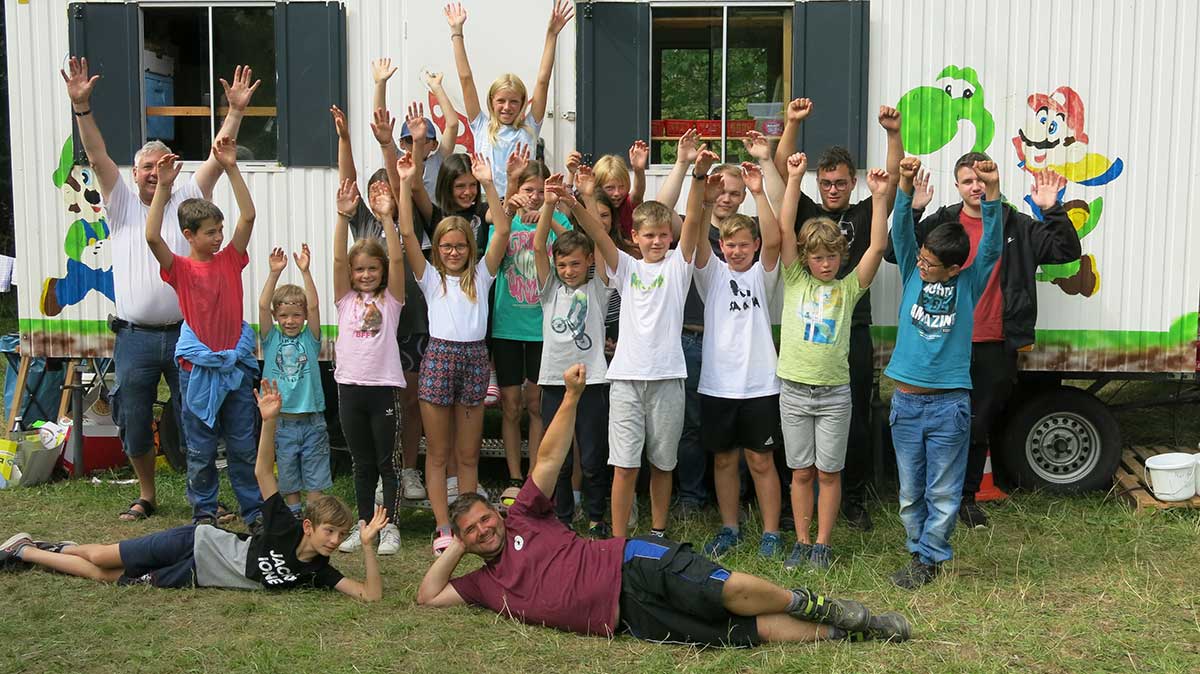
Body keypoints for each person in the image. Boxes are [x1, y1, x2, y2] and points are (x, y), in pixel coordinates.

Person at [415, 364, 910, 646]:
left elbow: (547, 456)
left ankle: (813, 603)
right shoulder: (483, 583)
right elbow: (427, 597)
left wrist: (570, 396)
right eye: (473, 533)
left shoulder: (523, 513)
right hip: (625, 618)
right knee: (730, 634)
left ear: (497, 513)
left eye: (484, 520)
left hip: (628, 566)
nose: (484, 531)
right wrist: (456, 547)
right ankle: (845, 631)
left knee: (721, 590)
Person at [60, 57, 259, 523]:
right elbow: (96, 156)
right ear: (134, 174)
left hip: (189, 335)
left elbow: (221, 153)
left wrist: (234, 110)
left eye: (162, 164)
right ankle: (146, 495)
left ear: (174, 166)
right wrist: (82, 107)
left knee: (198, 421)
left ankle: (205, 501)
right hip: (136, 335)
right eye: (147, 166)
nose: (155, 172)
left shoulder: (188, 192)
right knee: (132, 419)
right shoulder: (122, 201)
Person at [0, 380, 387, 601]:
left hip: (194, 573)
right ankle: (40, 547)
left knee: (107, 576)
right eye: (329, 531)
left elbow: (370, 595)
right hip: (196, 541)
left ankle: (27, 551)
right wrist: (269, 422)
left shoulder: (318, 572)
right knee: (102, 556)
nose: (335, 540)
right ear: (308, 526)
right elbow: (262, 473)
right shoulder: (284, 525)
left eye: (339, 534)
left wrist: (367, 545)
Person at [903, 155, 1078, 528]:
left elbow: (1065, 251)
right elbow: (896, 253)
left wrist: (1053, 210)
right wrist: (915, 211)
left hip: (994, 341)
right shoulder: (943, 222)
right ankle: (926, 498)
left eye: (982, 179)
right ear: (957, 186)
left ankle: (965, 498)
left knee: (977, 424)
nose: (976, 186)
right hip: (945, 342)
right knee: (937, 424)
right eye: (968, 180)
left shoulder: (1014, 222)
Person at [772, 100, 904, 532]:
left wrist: (892, 134)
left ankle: (852, 498)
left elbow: (892, 185)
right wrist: (792, 125)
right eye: (826, 182)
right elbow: (781, 177)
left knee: (856, 417)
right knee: (800, 426)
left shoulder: (864, 212)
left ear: (853, 183)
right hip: (807, 347)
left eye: (841, 183)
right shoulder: (809, 214)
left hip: (854, 326)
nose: (833, 189)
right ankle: (802, 506)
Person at [884, 156, 1002, 589]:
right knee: (910, 491)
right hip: (907, 402)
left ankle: (930, 557)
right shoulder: (914, 271)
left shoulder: (966, 284)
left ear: (954, 268)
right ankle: (917, 550)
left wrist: (992, 191)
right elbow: (899, 231)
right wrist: (903, 184)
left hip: (950, 404)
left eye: (933, 264)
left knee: (944, 491)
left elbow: (991, 247)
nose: (923, 266)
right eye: (923, 259)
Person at [574, 171, 702, 540]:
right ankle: (617, 539)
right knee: (625, 466)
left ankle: (658, 532)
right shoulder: (626, 268)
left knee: (663, 463)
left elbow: (692, 222)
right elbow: (597, 232)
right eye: (649, 235)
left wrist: (698, 176)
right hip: (627, 380)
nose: (657, 241)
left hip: (667, 379)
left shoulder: (679, 267)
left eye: (663, 235)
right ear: (635, 237)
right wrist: (574, 201)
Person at [396, 151, 511, 556]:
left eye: (460, 245)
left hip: (475, 360)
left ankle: (469, 523)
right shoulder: (429, 277)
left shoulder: (482, 274)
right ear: (438, 248)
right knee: (439, 452)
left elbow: (501, 232)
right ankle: (443, 525)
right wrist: (406, 182)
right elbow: (408, 235)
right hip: (440, 359)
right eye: (446, 245)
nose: (453, 251)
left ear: (469, 247)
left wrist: (490, 184)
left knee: (467, 453)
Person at [145, 143, 262, 530]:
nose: (218, 237)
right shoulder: (179, 269)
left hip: (235, 369)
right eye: (211, 232)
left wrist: (231, 168)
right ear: (189, 235)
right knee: (200, 449)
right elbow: (151, 237)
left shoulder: (231, 259)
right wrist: (163, 189)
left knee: (244, 447)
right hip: (197, 371)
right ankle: (204, 512)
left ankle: (254, 511)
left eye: (220, 231)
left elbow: (249, 215)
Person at [331, 102, 429, 503]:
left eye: (385, 187)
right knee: (381, 402)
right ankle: (375, 477)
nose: (379, 194)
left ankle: (406, 470)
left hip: (412, 322)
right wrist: (345, 139)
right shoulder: (364, 223)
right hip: (373, 333)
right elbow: (347, 182)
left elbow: (398, 179)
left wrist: (391, 149)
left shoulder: (405, 216)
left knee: (409, 398)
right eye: (374, 192)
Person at [690, 160, 785, 559]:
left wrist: (760, 192)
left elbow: (778, 240)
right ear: (722, 247)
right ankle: (730, 528)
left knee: (761, 461)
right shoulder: (710, 273)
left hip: (760, 383)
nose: (737, 251)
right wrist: (703, 193)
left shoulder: (763, 274)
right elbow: (694, 237)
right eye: (731, 245)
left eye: (745, 244)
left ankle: (770, 533)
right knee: (725, 460)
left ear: (755, 245)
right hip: (717, 384)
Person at [330, 173, 407, 556]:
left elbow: (396, 256)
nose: (365, 275)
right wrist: (343, 217)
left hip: (383, 389)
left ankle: (390, 527)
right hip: (349, 388)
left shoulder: (392, 300)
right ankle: (364, 527)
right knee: (362, 466)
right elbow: (337, 259)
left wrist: (388, 218)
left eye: (371, 269)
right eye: (359, 269)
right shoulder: (344, 300)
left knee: (387, 464)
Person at [534, 175, 613, 536]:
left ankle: (597, 517)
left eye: (575, 265)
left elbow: (599, 238)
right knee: (561, 459)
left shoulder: (598, 288)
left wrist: (581, 197)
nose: (568, 271)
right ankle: (562, 517)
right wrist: (549, 202)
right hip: (554, 381)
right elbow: (538, 249)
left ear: (587, 264)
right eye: (563, 265)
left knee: (594, 457)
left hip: (593, 381)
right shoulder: (550, 289)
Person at [492, 154, 572, 495]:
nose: (534, 196)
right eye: (528, 189)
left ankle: (536, 477)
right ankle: (513, 476)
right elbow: (492, 252)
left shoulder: (554, 220)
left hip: (542, 328)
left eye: (540, 190)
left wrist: (550, 212)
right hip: (507, 327)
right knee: (511, 406)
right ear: (517, 189)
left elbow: (570, 241)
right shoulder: (506, 220)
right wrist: (509, 207)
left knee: (537, 404)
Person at [445, 0, 573, 196]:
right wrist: (456, 33)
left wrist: (552, 35)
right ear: (491, 102)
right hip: (489, 205)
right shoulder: (481, 126)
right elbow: (466, 79)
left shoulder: (529, 128)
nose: (507, 107)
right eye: (501, 101)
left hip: (522, 206)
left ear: (523, 104)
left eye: (514, 101)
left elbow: (543, 81)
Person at [257, 244, 330, 517]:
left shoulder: (310, 340)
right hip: (283, 422)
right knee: (287, 472)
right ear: (276, 317)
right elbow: (263, 305)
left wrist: (306, 272)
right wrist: (274, 273)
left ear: (305, 317)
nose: (290, 321)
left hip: (312, 420)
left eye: (296, 315)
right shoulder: (271, 338)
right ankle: (294, 515)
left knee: (315, 473)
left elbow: (313, 304)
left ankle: (313, 517)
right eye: (284, 315)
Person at [592, 144, 647, 241]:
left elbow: (638, 193)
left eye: (622, 187)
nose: (617, 193)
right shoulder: (591, 205)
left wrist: (638, 171)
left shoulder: (628, 204)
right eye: (610, 188)